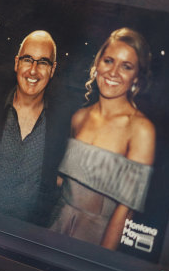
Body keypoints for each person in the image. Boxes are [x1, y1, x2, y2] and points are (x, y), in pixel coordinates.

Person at [50, 27, 155, 250]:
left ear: (136, 76)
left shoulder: (141, 129)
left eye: (126, 66)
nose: (114, 72)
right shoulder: (79, 117)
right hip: (53, 229)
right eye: (109, 61)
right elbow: (61, 182)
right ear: (97, 64)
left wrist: (98, 263)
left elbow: (125, 212)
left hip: (95, 241)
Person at [0, 30, 72, 226]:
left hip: (26, 241)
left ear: (53, 69)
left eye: (43, 62)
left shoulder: (62, 125)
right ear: (16, 63)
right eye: (27, 59)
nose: (33, 70)